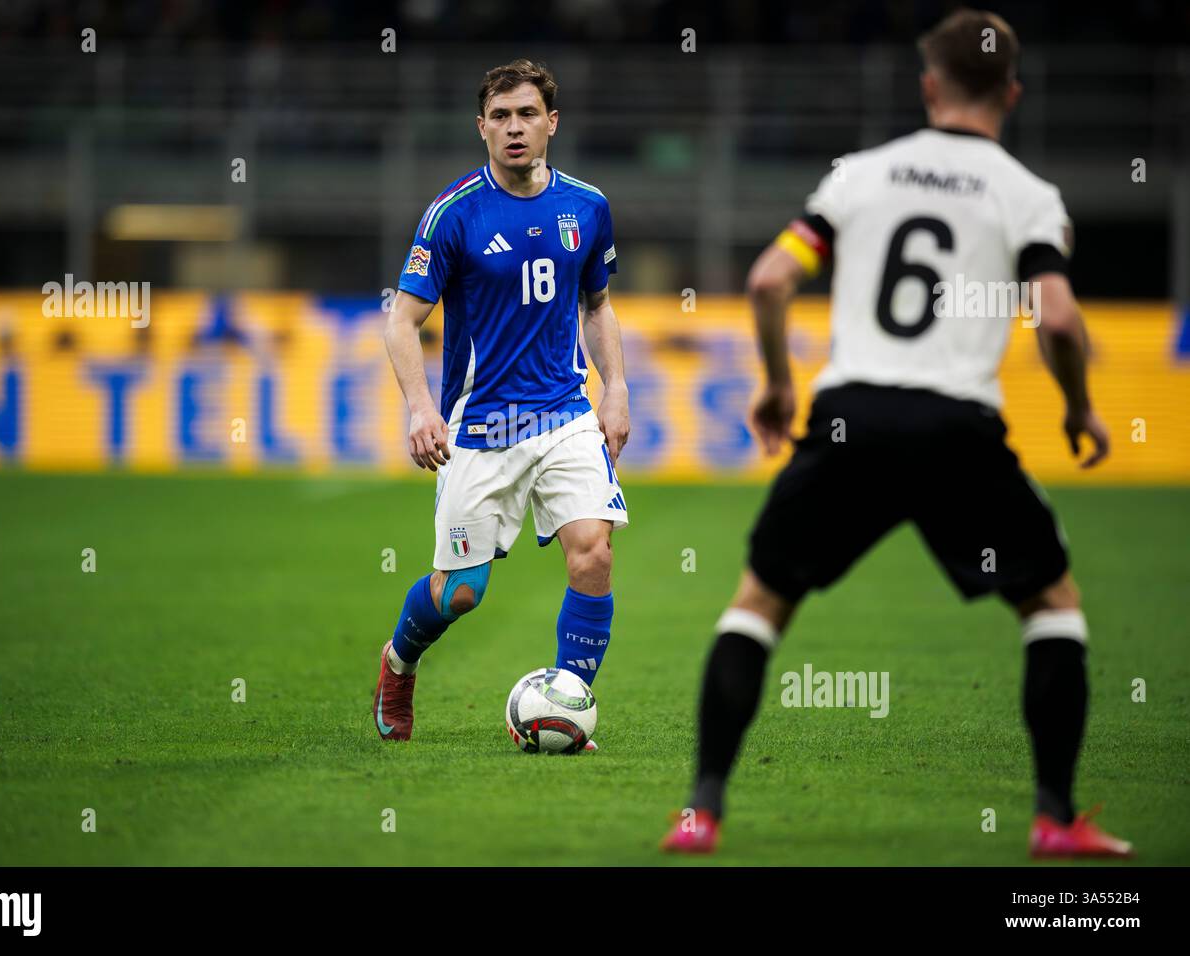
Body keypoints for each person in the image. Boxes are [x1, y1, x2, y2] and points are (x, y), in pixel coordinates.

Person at [662, 9, 1132, 858]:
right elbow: (1058, 319)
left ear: (928, 87)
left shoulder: (862, 176)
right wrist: (1077, 406)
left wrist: (776, 383)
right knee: (1051, 606)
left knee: (759, 604)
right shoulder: (1028, 195)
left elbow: (770, 278)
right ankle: (1056, 820)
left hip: (849, 421)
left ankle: (701, 812)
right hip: (957, 427)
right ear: (1012, 94)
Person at [373, 59, 630, 750]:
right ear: (481, 127)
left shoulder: (587, 206)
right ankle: (399, 664)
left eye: (527, 115)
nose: (514, 128)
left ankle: (568, 704)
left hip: (565, 414)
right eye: (500, 117)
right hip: (480, 427)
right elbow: (402, 320)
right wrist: (421, 408)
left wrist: (618, 388)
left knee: (593, 554)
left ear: (552, 122)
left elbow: (598, 306)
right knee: (461, 592)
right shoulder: (454, 214)